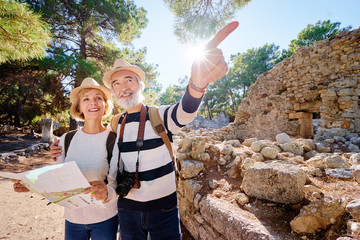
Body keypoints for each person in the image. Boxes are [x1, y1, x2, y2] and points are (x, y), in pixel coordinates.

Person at [50, 21, 239, 240]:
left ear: (140, 86)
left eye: (129, 80)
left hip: (164, 209)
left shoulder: (159, 115)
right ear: (114, 92)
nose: (123, 87)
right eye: (117, 84)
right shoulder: (115, 124)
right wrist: (57, 149)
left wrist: (197, 86)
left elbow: (184, 112)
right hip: (127, 209)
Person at [14, 77, 119, 240]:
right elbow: (58, 179)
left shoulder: (114, 139)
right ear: (79, 107)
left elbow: (116, 182)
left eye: (99, 98)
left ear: (105, 105)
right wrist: (31, 185)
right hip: (73, 219)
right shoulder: (65, 139)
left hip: (106, 218)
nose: (93, 102)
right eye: (86, 99)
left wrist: (106, 194)